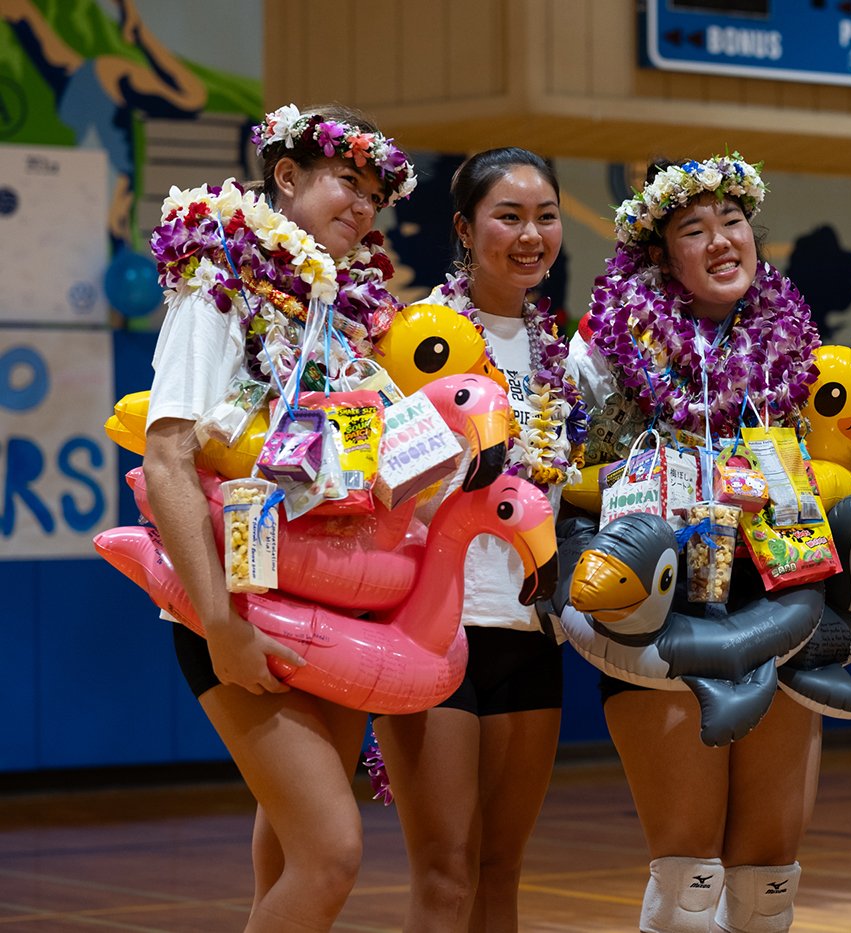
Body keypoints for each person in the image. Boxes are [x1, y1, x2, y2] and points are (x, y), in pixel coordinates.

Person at [142, 103, 415, 930]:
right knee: (332, 852)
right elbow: (167, 462)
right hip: (244, 608)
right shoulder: (218, 284)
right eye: (346, 182)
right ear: (288, 177)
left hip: (328, 601)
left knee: (297, 851)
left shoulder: (352, 315)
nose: (363, 207)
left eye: (375, 194)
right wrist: (222, 625)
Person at [571, 154, 823, 933]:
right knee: (692, 878)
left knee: (770, 875)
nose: (721, 242)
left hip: (781, 597)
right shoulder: (606, 344)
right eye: (694, 228)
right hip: (666, 611)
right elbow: (567, 482)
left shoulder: (793, 338)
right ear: (659, 255)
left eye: (733, 222)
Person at [371, 146, 585, 932]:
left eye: (546, 216)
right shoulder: (414, 336)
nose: (531, 234)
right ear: (464, 228)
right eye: (509, 216)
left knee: (501, 872)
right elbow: (380, 481)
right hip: (438, 631)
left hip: (530, 629)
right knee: (445, 875)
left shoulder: (563, 352)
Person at [2, 0, 208, 245]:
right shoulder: (111, 212)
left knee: (40, 36)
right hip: (91, 91)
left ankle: (137, 30)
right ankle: (137, 30)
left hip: (89, 91)